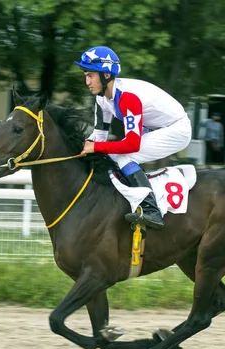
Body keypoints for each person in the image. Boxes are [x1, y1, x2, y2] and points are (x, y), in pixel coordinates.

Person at [75, 46, 192, 230]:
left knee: (125, 156)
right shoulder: (102, 98)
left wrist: (95, 147)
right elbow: (99, 136)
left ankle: (151, 210)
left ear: (106, 75)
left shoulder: (127, 98)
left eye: (91, 75)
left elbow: (131, 144)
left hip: (177, 130)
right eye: (86, 75)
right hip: (155, 128)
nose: (87, 81)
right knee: (110, 155)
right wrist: (79, 150)